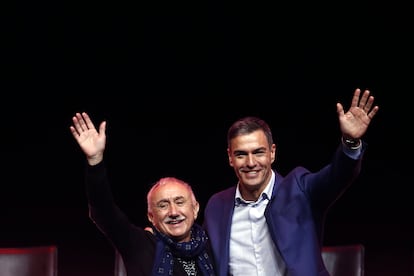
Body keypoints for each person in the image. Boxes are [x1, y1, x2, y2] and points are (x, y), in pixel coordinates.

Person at [203, 88, 379, 276]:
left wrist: (350, 142)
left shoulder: (299, 189)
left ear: (272, 153)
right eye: (241, 154)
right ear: (230, 157)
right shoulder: (217, 205)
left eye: (258, 152)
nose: (251, 162)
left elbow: (337, 176)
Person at [70, 112, 216, 276]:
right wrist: (95, 161)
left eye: (180, 202)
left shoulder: (213, 246)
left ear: (195, 208)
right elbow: (104, 211)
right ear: (151, 216)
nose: (173, 212)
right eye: (163, 205)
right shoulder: (139, 244)